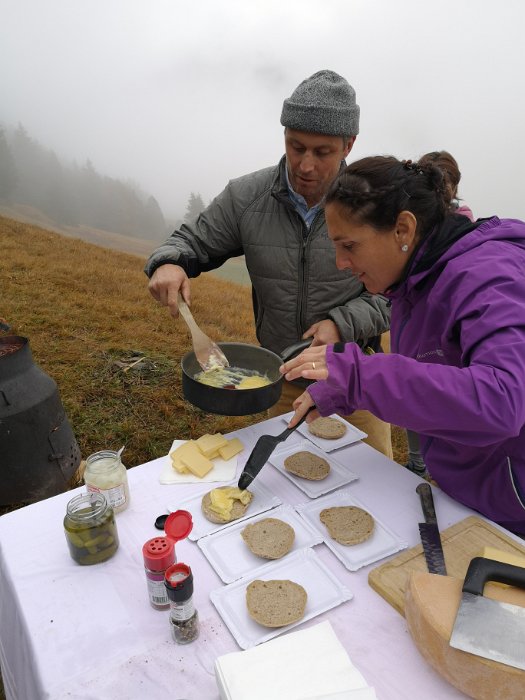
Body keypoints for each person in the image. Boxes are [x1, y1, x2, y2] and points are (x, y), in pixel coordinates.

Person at [145, 70, 392, 457]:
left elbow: (398, 294)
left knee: (372, 491)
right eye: (296, 147)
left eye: (322, 152)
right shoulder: (246, 197)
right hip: (279, 380)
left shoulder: (376, 206)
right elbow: (189, 241)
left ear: (349, 145)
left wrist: (342, 324)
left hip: (355, 380)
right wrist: (170, 262)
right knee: (278, 485)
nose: (305, 165)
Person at [280, 155, 525, 535]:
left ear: (403, 229)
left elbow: (502, 401)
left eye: (349, 245)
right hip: (471, 492)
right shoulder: (413, 280)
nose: (340, 262)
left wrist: (359, 376)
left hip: (514, 505)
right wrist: (344, 390)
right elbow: (435, 375)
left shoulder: (490, 277)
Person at [404, 150, 475, 477]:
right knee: (415, 397)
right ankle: (420, 465)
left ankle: (432, 468)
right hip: (422, 331)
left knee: (433, 396)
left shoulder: (464, 231)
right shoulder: (416, 229)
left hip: (442, 336)